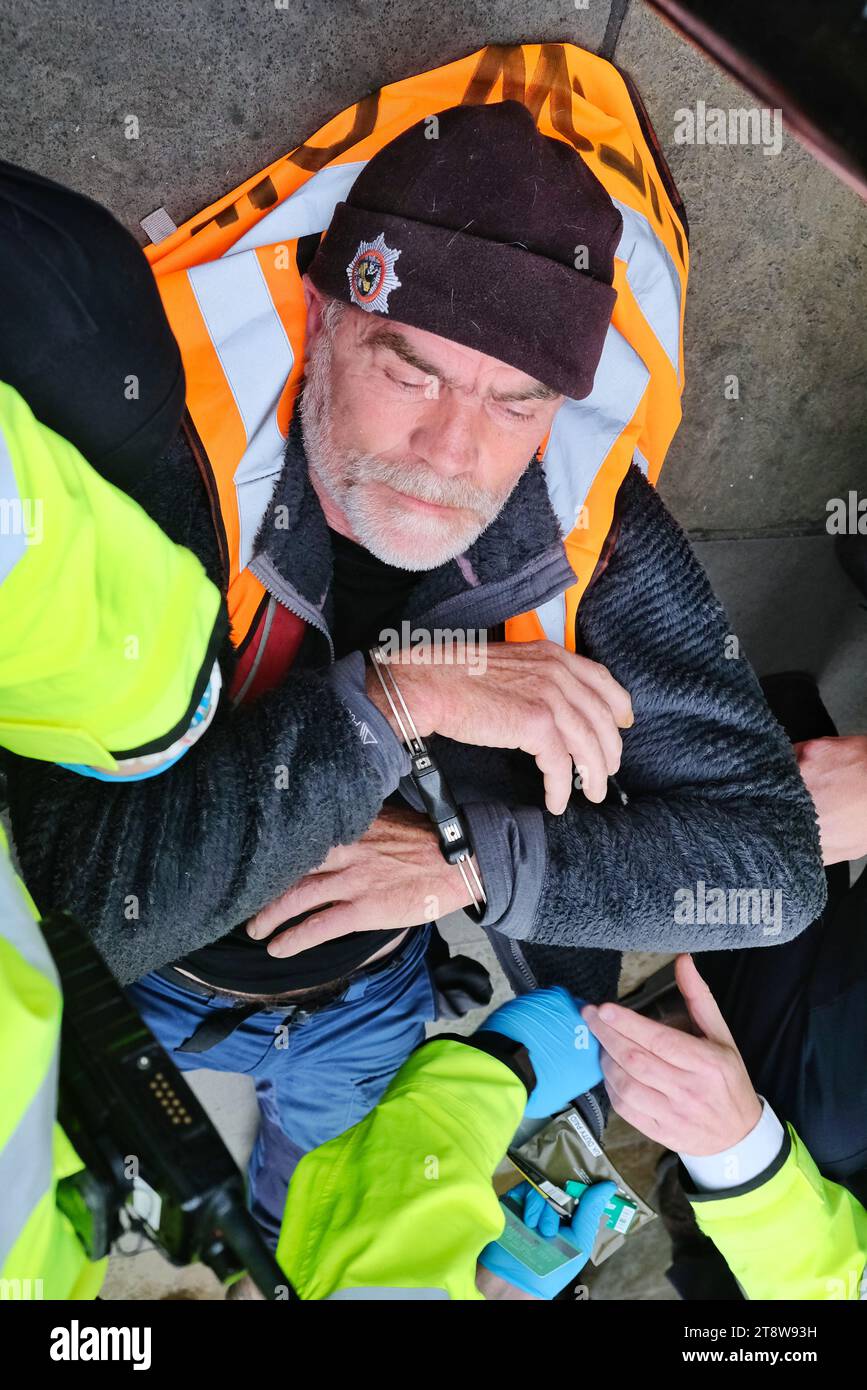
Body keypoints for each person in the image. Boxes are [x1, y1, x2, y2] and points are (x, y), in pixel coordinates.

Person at [5, 87, 825, 1250]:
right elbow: (73, 914)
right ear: (325, 316)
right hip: (148, 988)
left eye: (514, 402)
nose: (452, 454)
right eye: (413, 373)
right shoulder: (171, 460)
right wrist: (405, 694)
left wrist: (468, 867)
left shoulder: (585, 519)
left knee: (326, 1195)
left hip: (373, 999)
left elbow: (777, 869)